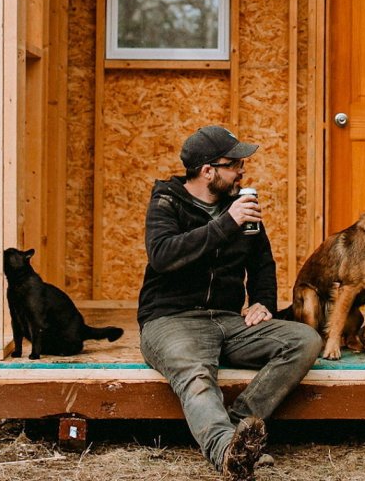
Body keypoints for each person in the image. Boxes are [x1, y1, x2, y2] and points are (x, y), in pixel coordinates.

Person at [138, 125, 322, 480]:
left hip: (228, 321)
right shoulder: (167, 202)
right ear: (208, 171)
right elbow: (162, 255)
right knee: (195, 375)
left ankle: (241, 428)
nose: (242, 171)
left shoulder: (240, 207)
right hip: (171, 320)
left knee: (303, 340)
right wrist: (227, 223)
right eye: (234, 164)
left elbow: (262, 262)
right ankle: (227, 451)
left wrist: (263, 301)